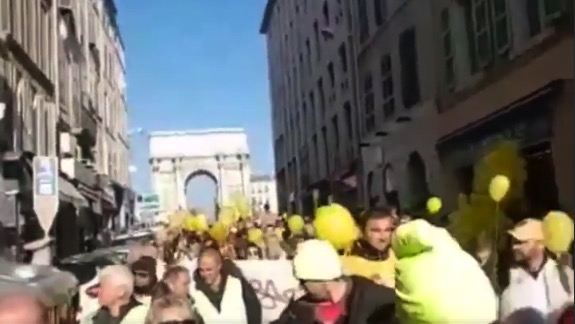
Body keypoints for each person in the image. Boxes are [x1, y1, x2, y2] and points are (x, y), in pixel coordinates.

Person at [272, 239, 396, 324]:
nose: (301, 286)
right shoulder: (301, 307)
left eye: (303, 281)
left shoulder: (378, 301)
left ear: (321, 280)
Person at [500, 218, 574, 323]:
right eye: (513, 242)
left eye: (521, 242)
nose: (514, 247)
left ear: (540, 244)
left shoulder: (564, 276)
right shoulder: (507, 278)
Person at [191, 248, 261, 324]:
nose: (205, 274)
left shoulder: (237, 284)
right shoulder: (195, 293)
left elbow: (254, 310)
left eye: (209, 270)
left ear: (219, 266)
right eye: (201, 270)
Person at [342, 207, 396, 286]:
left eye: (387, 230)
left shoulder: (398, 255)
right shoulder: (346, 265)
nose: (383, 237)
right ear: (362, 232)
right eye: (376, 231)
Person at [81, 265, 148, 324]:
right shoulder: (94, 316)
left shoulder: (142, 317)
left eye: (103, 286)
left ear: (120, 291)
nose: (98, 290)